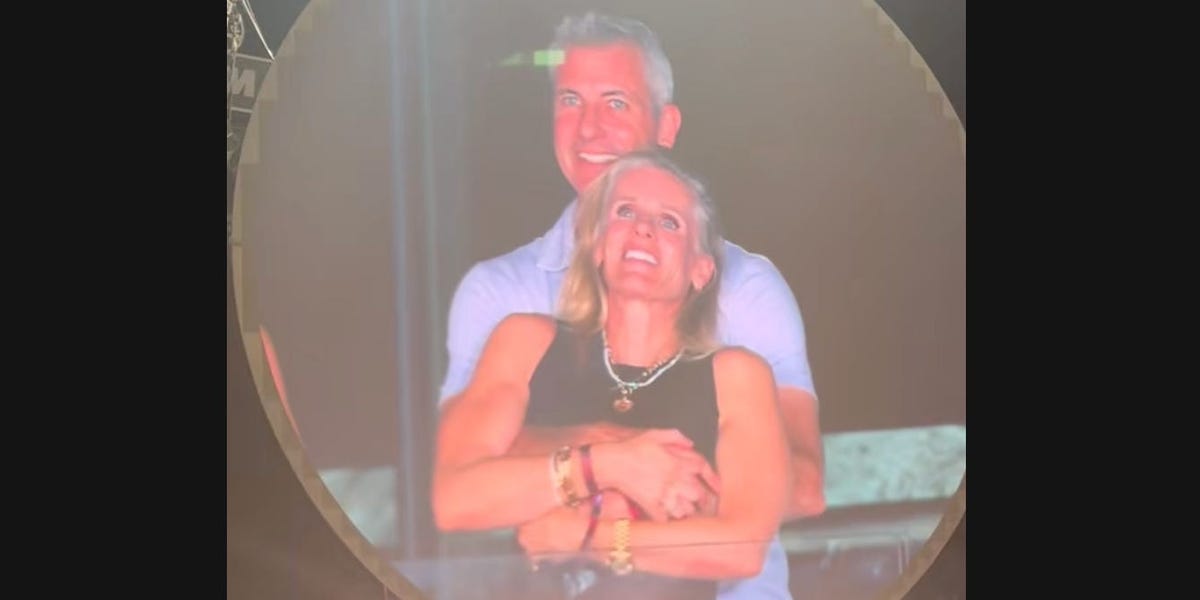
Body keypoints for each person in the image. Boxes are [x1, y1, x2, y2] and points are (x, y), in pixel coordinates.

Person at [438, 12, 825, 599]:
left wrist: (594, 516)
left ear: (666, 125)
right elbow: (455, 480)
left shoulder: (748, 288)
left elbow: (802, 488)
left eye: (616, 103)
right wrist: (617, 458)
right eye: (571, 100)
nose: (589, 128)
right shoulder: (498, 295)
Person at [434, 150, 791, 600]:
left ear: (700, 271)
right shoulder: (525, 340)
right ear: (599, 246)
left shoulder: (737, 376)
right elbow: (454, 501)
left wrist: (587, 536)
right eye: (625, 212)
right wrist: (610, 463)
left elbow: (743, 549)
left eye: (669, 222)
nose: (643, 227)